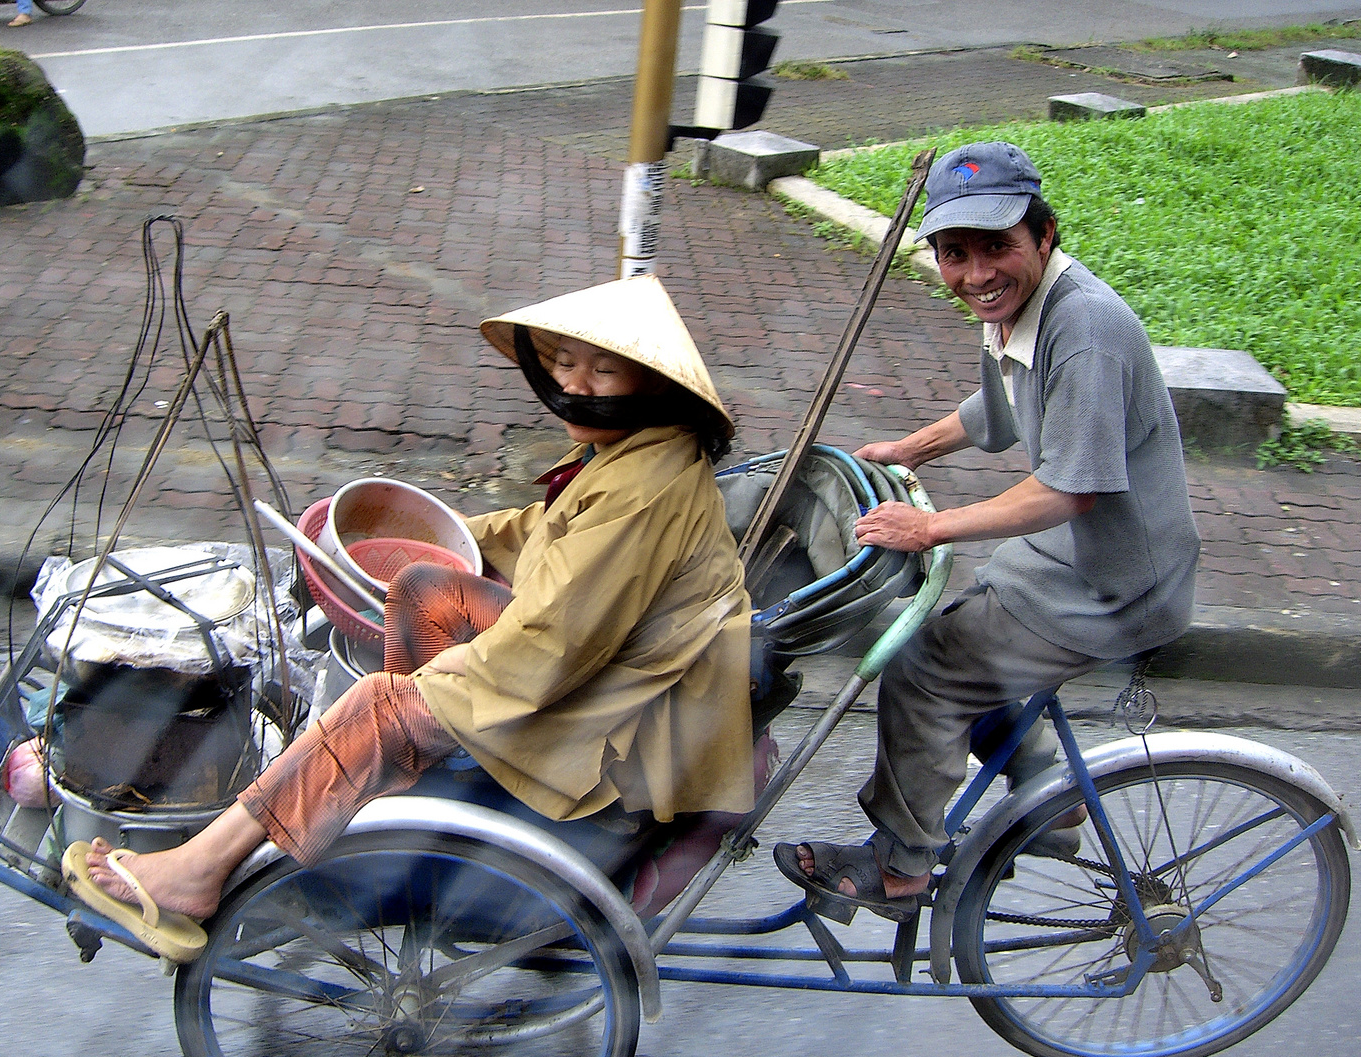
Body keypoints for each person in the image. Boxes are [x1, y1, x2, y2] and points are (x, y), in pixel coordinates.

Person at [64, 274, 755, 959]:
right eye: (566, 363)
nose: (578, 384)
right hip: (608, 669)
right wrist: (418, 540)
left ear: (652, 383)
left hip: (630, 727)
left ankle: (197, 871)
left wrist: (422, 693)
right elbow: (534, 533)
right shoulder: (630, 449)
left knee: (379, 703)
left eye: (605, 370)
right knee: (426, 586)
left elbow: (552, 647)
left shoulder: (645, 489)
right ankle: (400, 767)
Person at [776, 141, 1200, 921]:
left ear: (1045, 235)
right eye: (955, 253)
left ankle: (901, 871)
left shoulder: (1087, 330)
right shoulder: (1016, 308)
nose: (976, 275)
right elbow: (998, 412)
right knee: (950, 632)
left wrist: (931, 526)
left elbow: (1069, 489)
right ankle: (1050, 797)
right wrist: (909, 448)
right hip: (1059, 562)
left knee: (922, 669)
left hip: (1116, 585)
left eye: (997, 247)